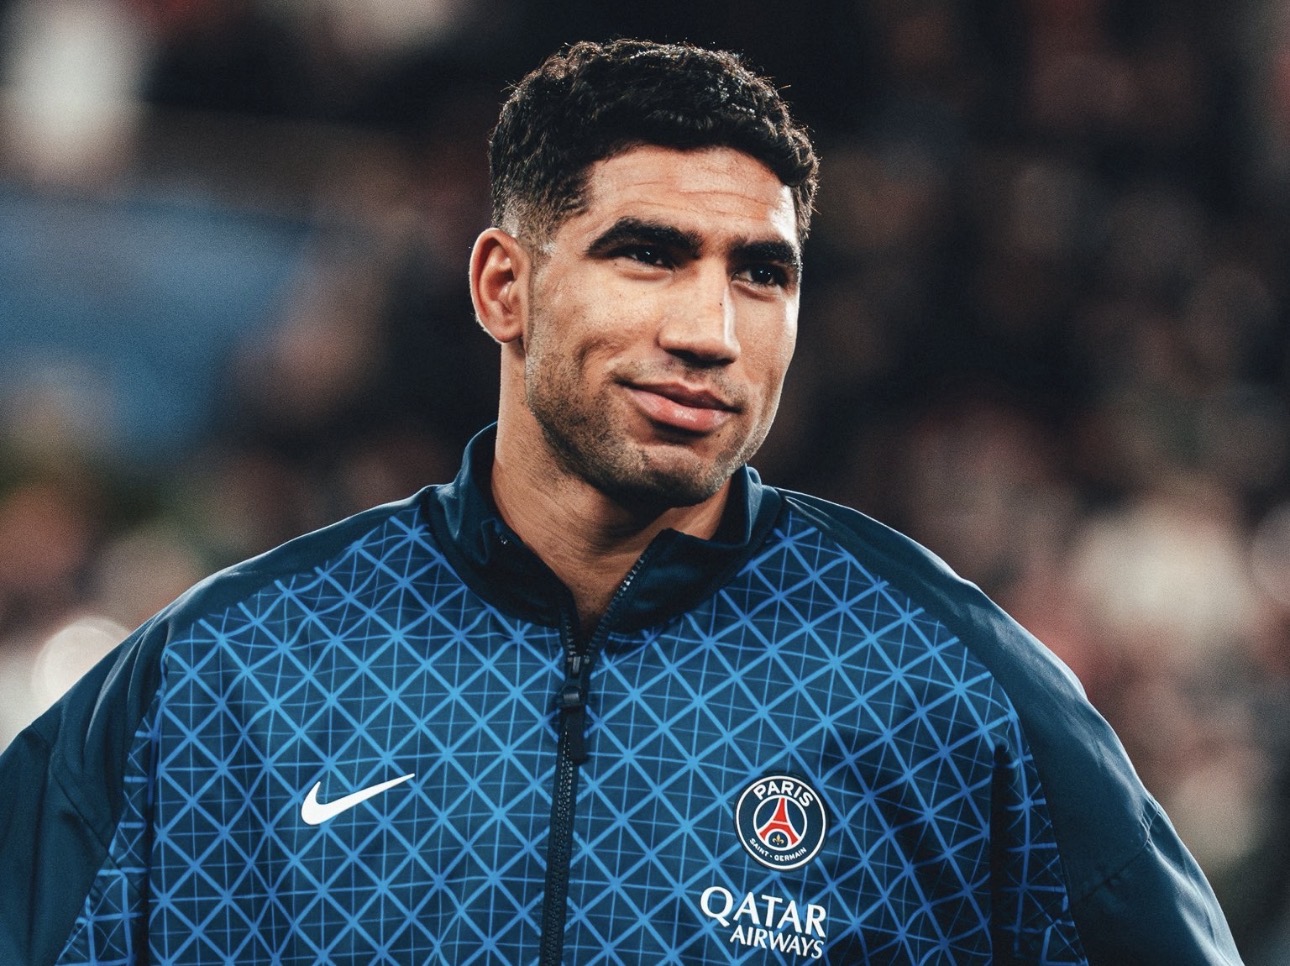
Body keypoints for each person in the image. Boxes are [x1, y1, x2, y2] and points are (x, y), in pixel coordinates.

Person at [0, 38, 1242, 965]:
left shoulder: (953, 690)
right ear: (504, 287)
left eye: (762, 274)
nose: (710, 331)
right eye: (649, 253)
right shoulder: (227, 675)